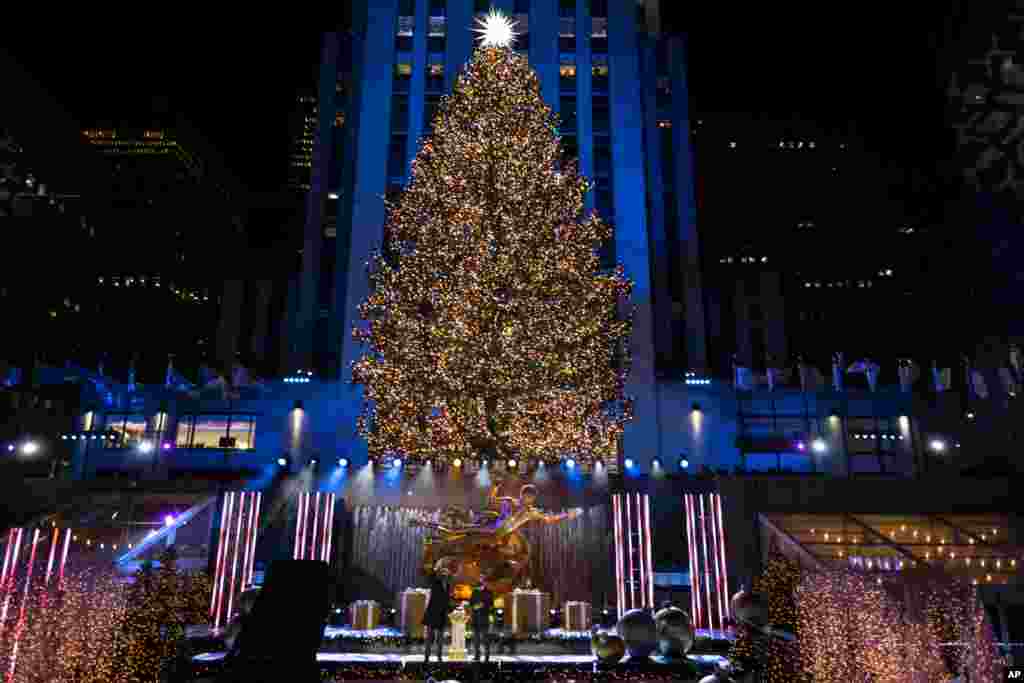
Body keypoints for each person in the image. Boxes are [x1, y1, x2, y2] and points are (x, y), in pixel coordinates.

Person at [422, 565, 452, 662]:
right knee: (429, 638)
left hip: (442, 615)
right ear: (440, 575)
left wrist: (449, 610)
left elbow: (446, 600)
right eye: (443, 574)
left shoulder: (448, 586)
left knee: (440, 639)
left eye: (446, 574)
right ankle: (427, 657)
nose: (445, 576)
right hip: (432, 614)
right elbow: (430, 576)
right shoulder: (435, 582)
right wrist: (435, 569)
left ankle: (439, 657)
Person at [469, 578, 493, 662]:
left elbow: (490, 604)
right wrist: (475, 606)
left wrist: (483, 605)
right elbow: (471, 603)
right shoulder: (474, 591)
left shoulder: (488, 592)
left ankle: (487, 656)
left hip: (484, 618)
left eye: (483, 581)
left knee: (485, 638)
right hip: (475, 617)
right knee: (476, 639)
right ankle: (477, 655)